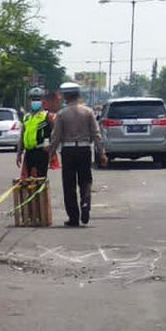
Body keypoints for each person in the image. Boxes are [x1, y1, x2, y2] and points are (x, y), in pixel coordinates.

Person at [47, 81, 106, 226]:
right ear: (78, 95)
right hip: (85, 150)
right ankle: (85, 203)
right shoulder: (88, 112)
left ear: (66, 97)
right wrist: (102, 153)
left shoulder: (61, 114)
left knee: (69, 185)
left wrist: (51, 153)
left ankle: (73, 217)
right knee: (85, 180)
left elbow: (56, 136)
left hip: (68, 151)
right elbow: (96, 133)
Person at [16, 86, 53, 178]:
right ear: (29, 101)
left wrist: (50, 148)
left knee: (40, 178)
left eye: (38, 99)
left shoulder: (47, 116)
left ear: (42, 101)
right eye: (33, 99)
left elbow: (54, 133)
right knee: (28, 180)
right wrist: (19, 153)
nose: (35, 102)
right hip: (29, 152)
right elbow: (22, 136)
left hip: (41, 152)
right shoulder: (27, 117)